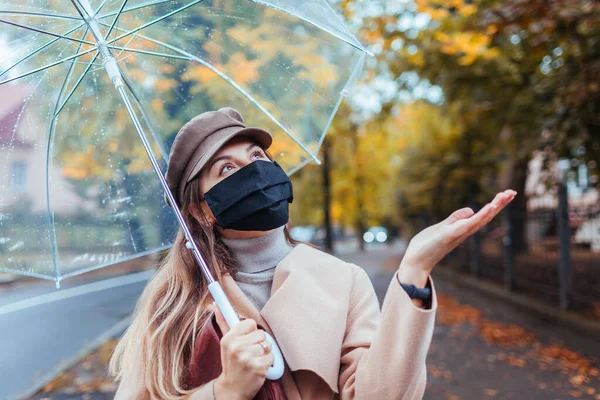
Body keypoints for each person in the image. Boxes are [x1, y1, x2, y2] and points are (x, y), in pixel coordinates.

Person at [109, 107, 516, 400]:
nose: (253, 171)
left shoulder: (342, 279)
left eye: (256, 157)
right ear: (201, 208)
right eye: (227, 170)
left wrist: (414, 268)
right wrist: (224, 392)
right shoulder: (172, 306)